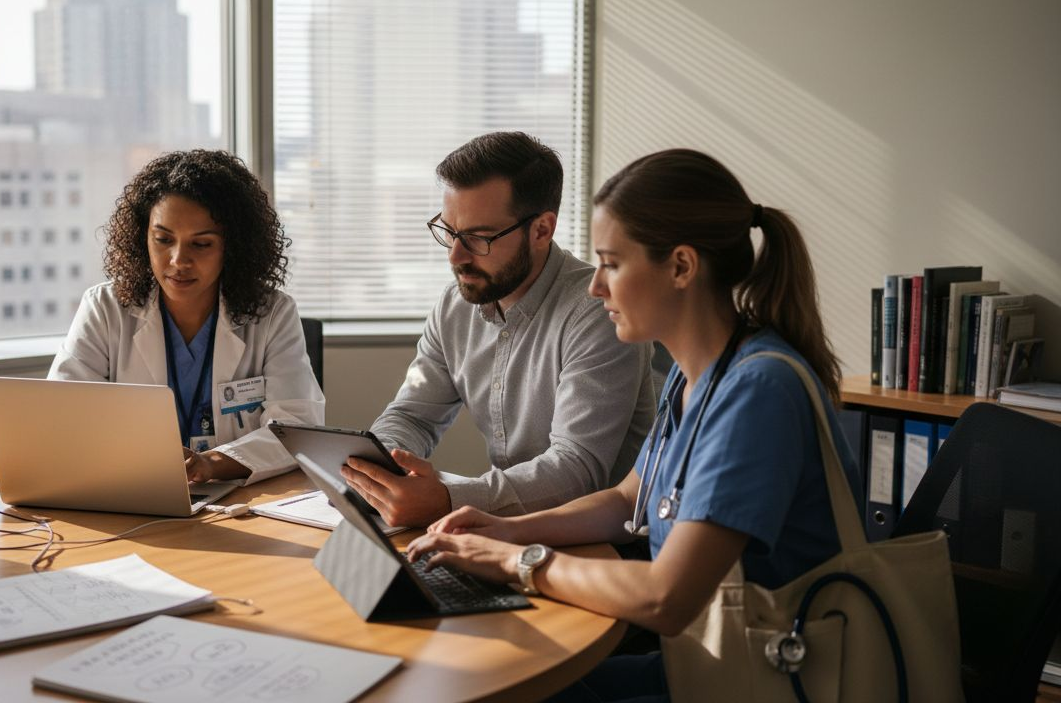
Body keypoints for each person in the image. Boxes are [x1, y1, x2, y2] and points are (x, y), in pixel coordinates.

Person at [404, 148, 862, 701]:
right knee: (485, 676)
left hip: (777, 677)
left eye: (612, 264)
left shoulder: (757, 392)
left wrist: (515, 561)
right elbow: (627, 500)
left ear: (682, 267)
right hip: (717, 660)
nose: (596, 287)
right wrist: (507, 529)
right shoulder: (696, 376)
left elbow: (666, 598)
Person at [340, 132, 657, 529]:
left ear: (542, 230)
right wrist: (380, 470)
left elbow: (578, 470)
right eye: (449, 231)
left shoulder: (598, 311)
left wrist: (447, 499)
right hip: (506, 531)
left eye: (478, 237)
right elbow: (413, 416)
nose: (456, 256)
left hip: (595, 542)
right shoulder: (456, 304)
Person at [49, 149, 324, 485]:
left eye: (202, 244)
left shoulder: (272, 314)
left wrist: (211, 464)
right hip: (130, 492)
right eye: (163, 239)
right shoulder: (105, 308)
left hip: (237, 501)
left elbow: (297, 429)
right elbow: (63, 418)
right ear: (142, 237)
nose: (179, 260)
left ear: (232, 246)